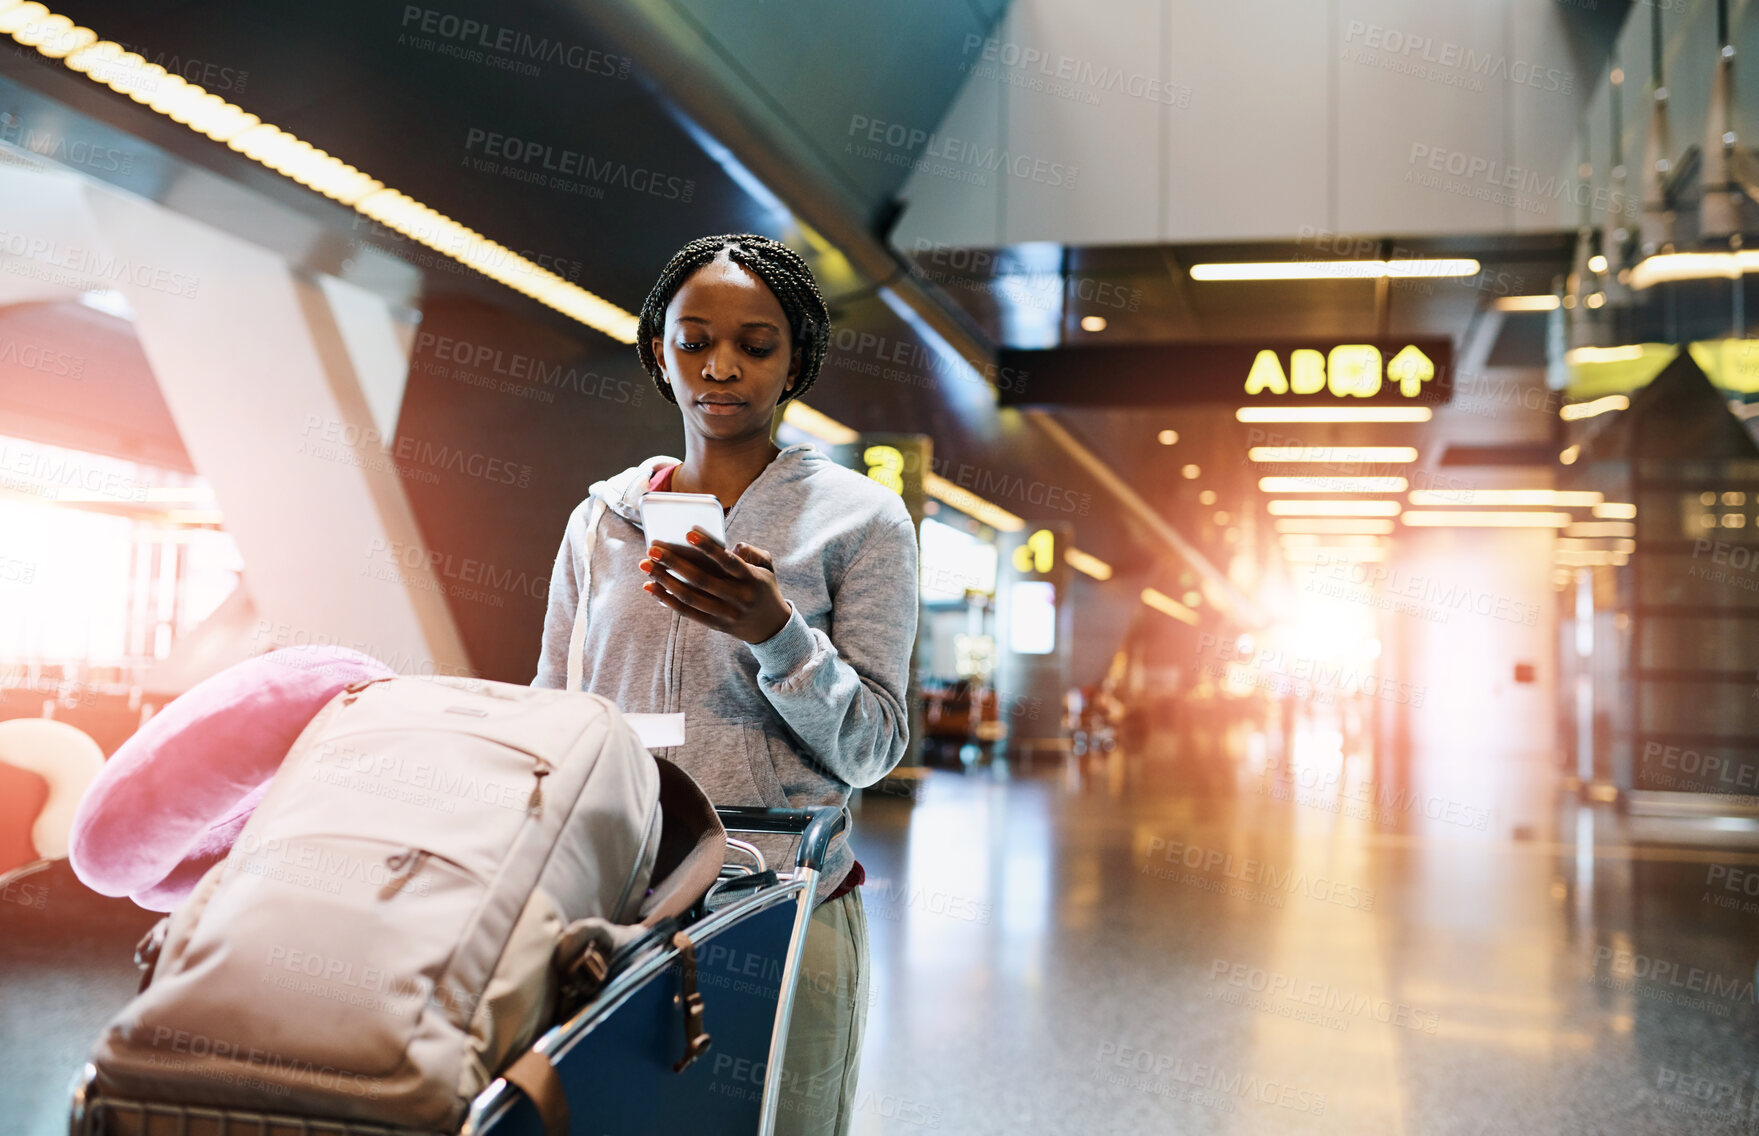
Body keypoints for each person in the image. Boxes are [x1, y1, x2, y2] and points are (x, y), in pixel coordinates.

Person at [532, 234, 919, 1135]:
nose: (721, 368)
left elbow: (872, 746)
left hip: (781, 908)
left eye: (756, 345)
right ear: (658, 351)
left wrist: (776, 635)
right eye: (694, 339)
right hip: (613, 909)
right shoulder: (598, 523)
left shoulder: (863, 521)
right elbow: (555, 705)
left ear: (796, 364)